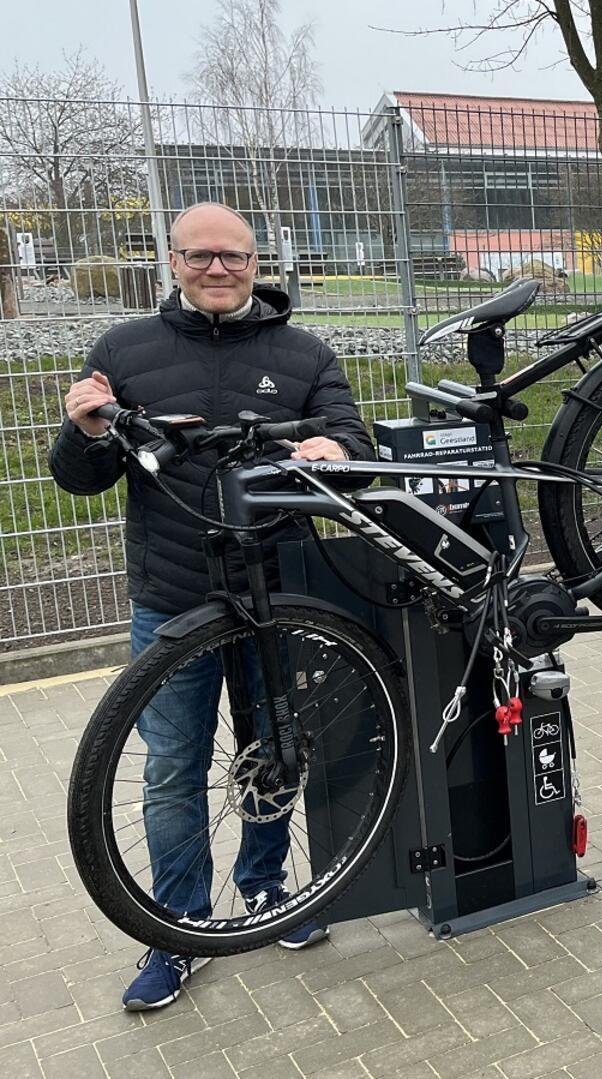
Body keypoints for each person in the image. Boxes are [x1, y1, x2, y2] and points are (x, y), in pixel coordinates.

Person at [49, 202, 375, 1010]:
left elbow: (356, 445)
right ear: (172, 260)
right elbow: (79, 475)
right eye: (201, 256)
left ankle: (266, 892)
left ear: (257, 262)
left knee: (274, 752)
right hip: (173, 599)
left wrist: (337, 449)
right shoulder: (124, 350)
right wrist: (84, 430)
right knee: (171, 768)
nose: (219, 269)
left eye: (234, 256)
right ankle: (178, 926)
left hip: (279, 599)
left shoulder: (302, 351)